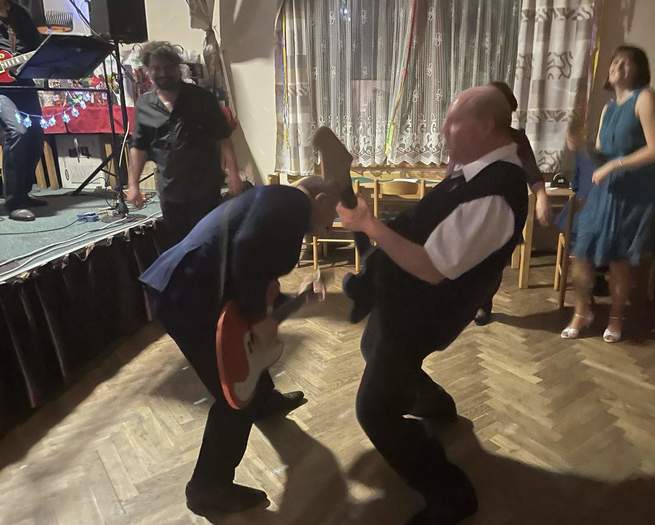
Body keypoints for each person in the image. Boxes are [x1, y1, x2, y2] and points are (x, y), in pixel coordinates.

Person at [337, 85, 529, 525]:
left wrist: (369, 224)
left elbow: (431, 268)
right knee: (371, 345)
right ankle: (435, 404)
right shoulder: (475, 172)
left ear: (486, 126)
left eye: (453, 121)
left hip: (425, 312)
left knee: (374, 410)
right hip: (404, 301)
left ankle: (451, 495)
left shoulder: (496, 192)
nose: (443, 129)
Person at [139, 176, 339, 516]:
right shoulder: (294, 204)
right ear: (318, 199)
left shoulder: (278, 199)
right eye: (332, 211)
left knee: (248, 355)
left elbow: (254, 277)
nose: (331, 221)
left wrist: (295, 300)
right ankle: (208, 487)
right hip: (185, 295)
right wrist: (260, 318)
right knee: (235, 389)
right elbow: (246, 250)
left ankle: (264, 400)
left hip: (187, 287)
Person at [561, 45, 655, 343]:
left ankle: (616, 317)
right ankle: (581, 312)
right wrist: (581, 146)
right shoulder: (609, 108)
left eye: (627, 62)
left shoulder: (646, 98)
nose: (618, 66)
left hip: (636, 190)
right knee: (582, 251)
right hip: (608, 187)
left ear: (639, 70)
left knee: (619, 258)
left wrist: (615, 164)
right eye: (615, 61)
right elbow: (603, 154)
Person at [127, 41, 243, 244]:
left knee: (208, 244)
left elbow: (223, 138)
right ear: (147, 70)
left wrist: (234, 174)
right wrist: (133, 185)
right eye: (156, 68)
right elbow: (139, 147)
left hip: (205, 190)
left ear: (178, 67)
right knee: (179, 247)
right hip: (170, 193)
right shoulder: (144, 105)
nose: (163, 73)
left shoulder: (202, 98)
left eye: (168, 67)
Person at [473, 81, 551, 325]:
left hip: (506, 210)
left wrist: (542, 197)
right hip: (477, 207)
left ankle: (484, 303)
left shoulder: (517, 140)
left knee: (494, 263)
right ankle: (472, 300)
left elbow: (532, 172)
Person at [0, 0, 45, 222]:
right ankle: (14, 201)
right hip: (1, 90)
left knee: (36, 134)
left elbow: (37, 46)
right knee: (18, 131)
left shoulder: (20, 13)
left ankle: (24, 192)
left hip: (23, 82)